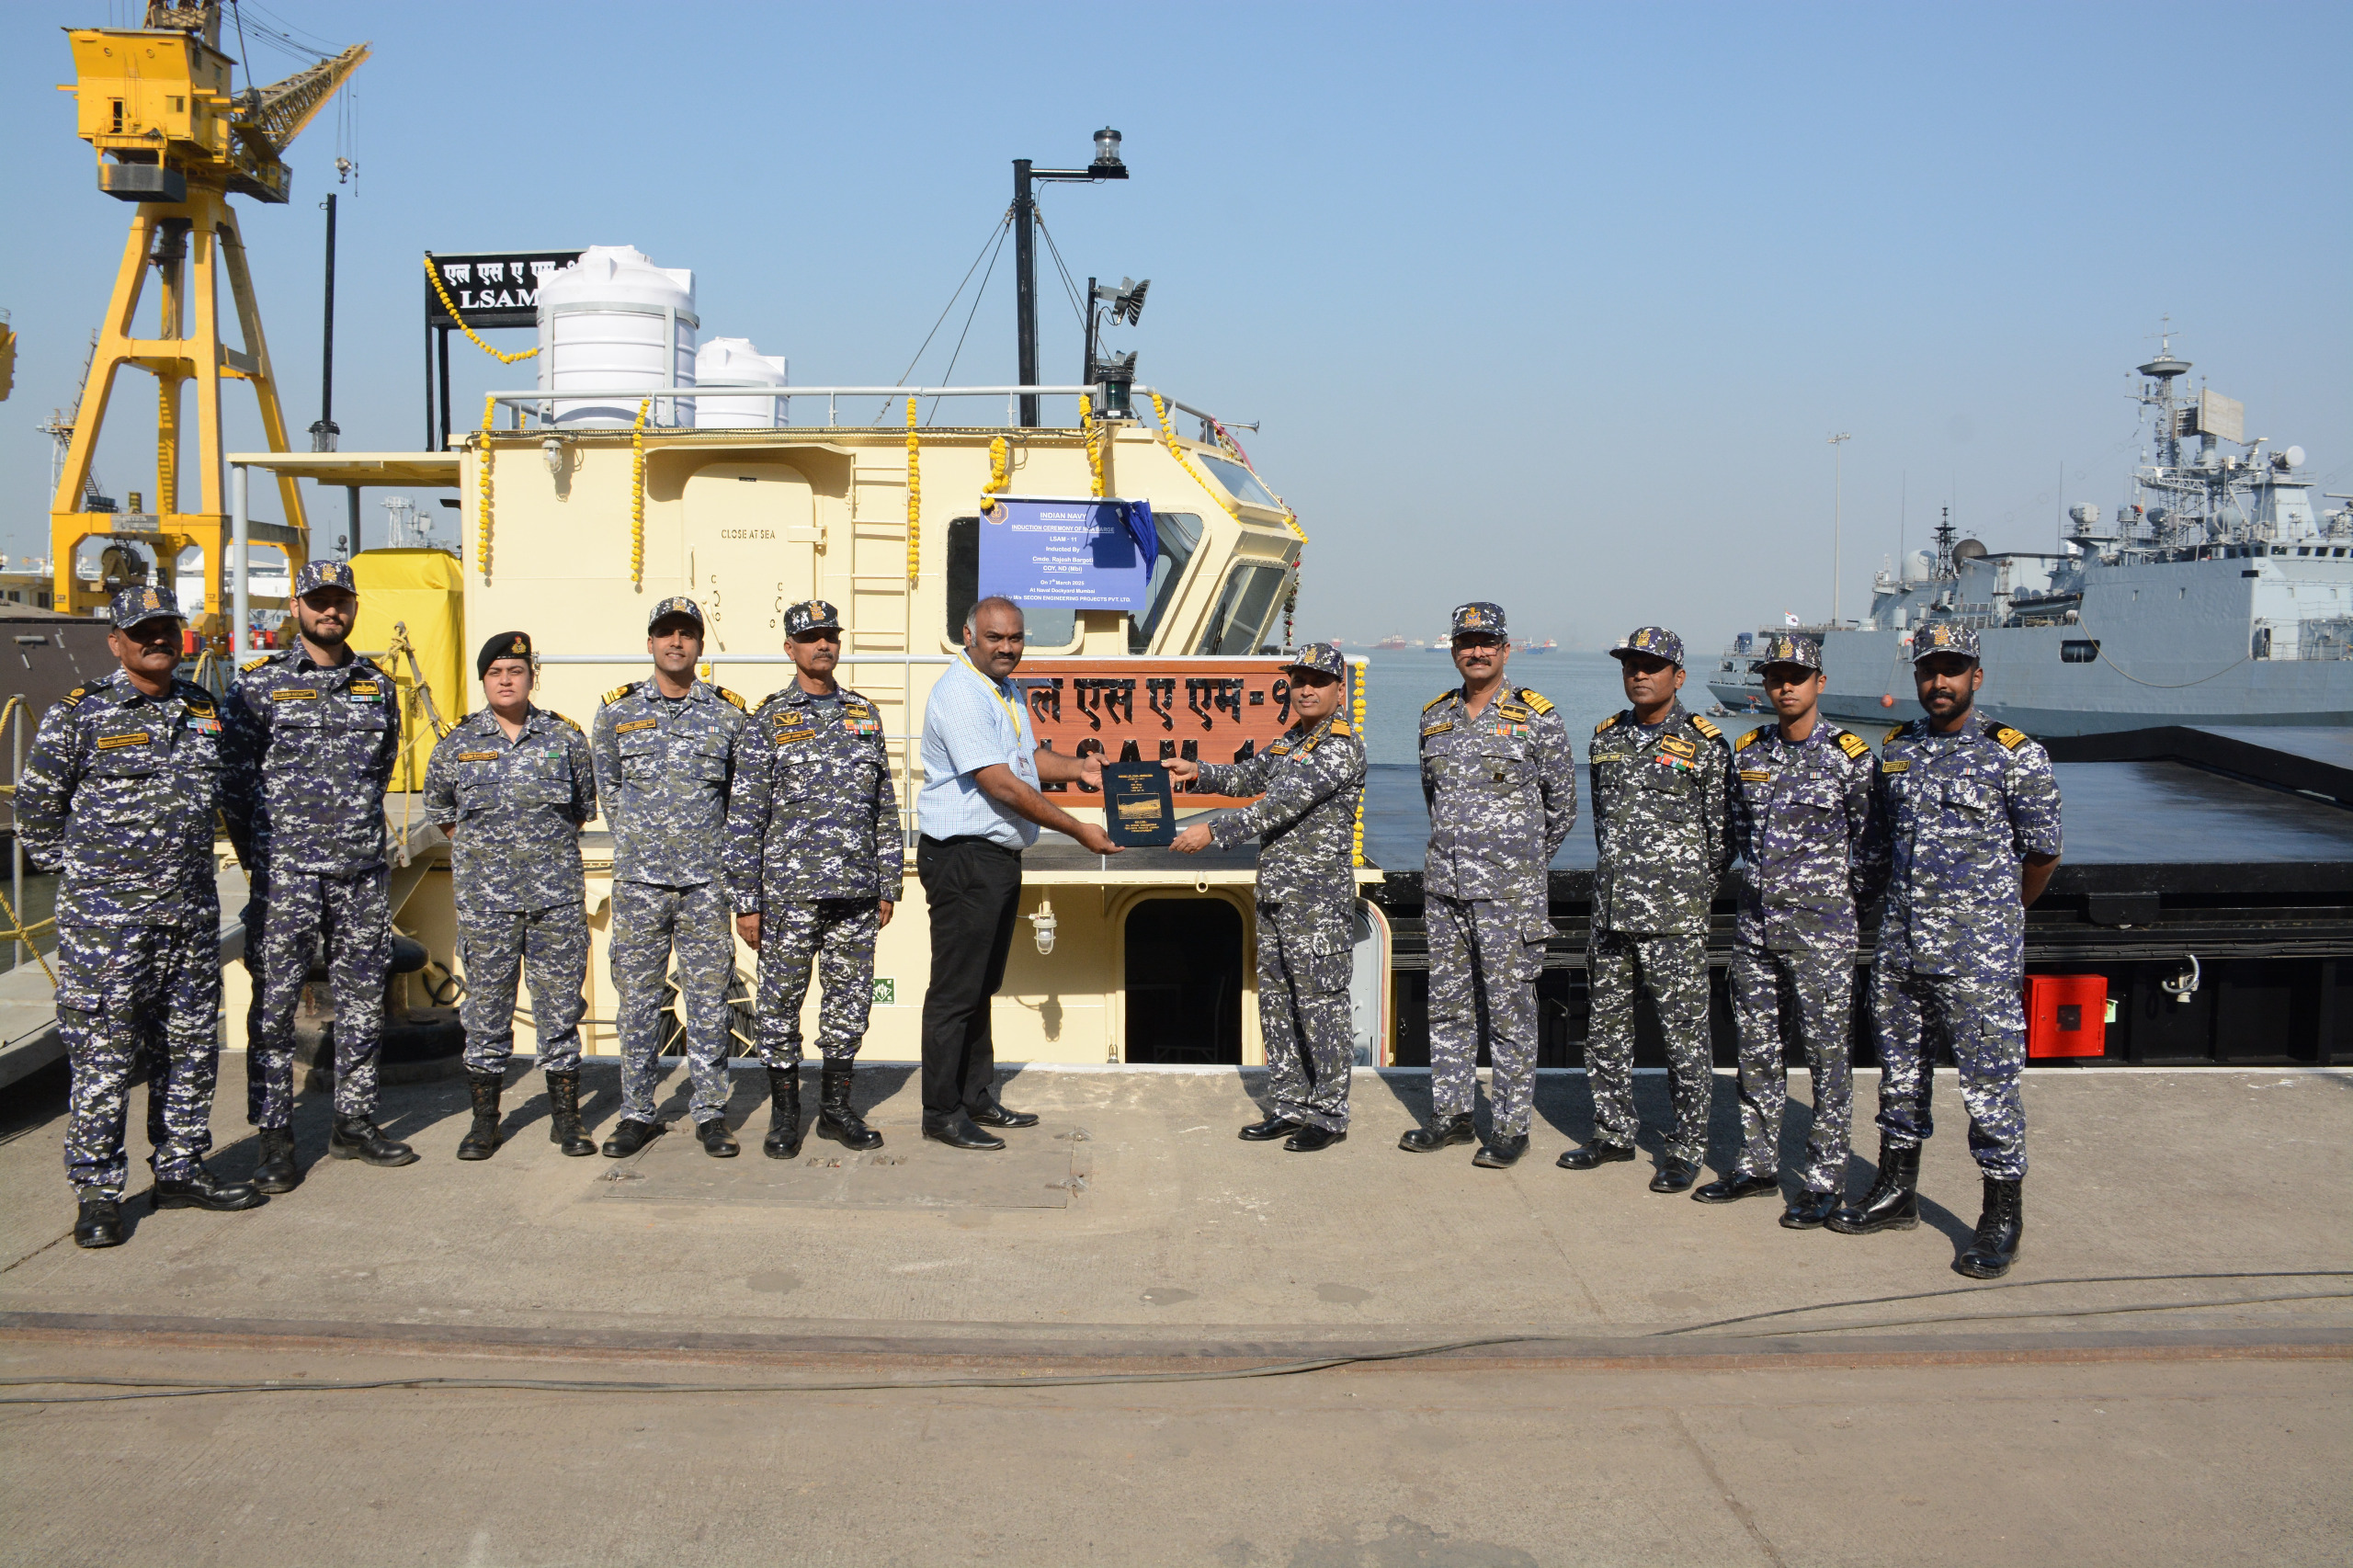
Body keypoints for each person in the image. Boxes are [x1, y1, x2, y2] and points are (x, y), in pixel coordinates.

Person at [17, 585, 267, 1247]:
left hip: (187, 916)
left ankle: (181, 1169)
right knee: (104, 1057)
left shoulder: (202, 709)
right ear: (116, 641)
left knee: (188, 1049)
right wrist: (95, 883)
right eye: (142, 630)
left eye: (166, 628)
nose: (157, 639)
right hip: (108, 927)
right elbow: (37, 815)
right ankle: (98, 1193)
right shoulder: (82, 714)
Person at [1830, 623, 2061, 1278]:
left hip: (1976, 955)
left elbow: (2043, 852)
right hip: (1902, 949)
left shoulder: (2014, 755)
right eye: (1930, 670)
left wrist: (2002, 915)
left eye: (1953, 670)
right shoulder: (1898, 752)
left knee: (1989, 1091)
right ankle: (1897, 1191)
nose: (1940, 683)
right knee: (1900, 1079)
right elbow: (1876, 847)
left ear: (1976, 677)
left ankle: (2000, 1215)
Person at [222, 557, 412, 1186]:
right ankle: (275, 1137)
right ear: (297, 607)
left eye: (341, 600)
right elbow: (236, 786)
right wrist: (265, 862)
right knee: (274, 1007)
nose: (331, 610)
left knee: (362, 1003)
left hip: (358, 872)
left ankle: (354, 1123)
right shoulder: (257, 685)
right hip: (287, 876)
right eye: (318, 600)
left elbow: (379, 768)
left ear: (353, 607)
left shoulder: (376, 686)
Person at [915, 597, 1118, 1151]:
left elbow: (1026, 760)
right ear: (969, 635)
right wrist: (1078, 830)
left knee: (983, 984)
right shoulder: (961, 692)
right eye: (996, 638)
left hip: (995, 857)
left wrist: (1076, 767)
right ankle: (941, 1112)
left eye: (1016, 638)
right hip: (964, 858)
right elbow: (1001, 783)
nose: (1007, 648)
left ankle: (976, 1096)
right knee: (956, 991)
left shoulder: (1003, 690)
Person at [1699, 633, 1880, 1227]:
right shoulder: (1748, 752)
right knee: (1756, 1051)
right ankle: (1757, 1163)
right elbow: (1733, 835)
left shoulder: (1851, 757)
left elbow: (1869, 847)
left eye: (1796, 677)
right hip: (1756, 929)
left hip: (1821, 931)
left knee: (1828, 1057)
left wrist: (1837, 907)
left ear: (1818, 684)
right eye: (1776, 676)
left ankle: (1825, 1177)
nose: (1784, 686)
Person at [1169, 642, 1368, 1152]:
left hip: (1316, 903)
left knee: (1321, 1005)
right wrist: (1199, 771)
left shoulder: (1340, 747)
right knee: (1279, 1005)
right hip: (1277, 895)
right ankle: (1289, 1104)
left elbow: (1276, 805)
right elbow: (1249, 777)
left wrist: (1213, 832)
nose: (1305, 688)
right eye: (1299, 679)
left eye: (1318, 680)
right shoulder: (1291, 742)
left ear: (1338, 689)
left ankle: (1327, 1113)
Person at [724, 600, 902, 1159]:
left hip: (855, 892)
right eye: (810, 638)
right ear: (790, 649)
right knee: (779, 1005)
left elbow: (883, 808)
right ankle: (785, 1113)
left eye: (830, 636)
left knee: (849, 1005)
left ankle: (836, 1109)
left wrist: (887, 882)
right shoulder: (768, 720)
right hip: (787, 895)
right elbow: (745, 816)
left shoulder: (864, 714)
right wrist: (746, 902)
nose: (822, 645)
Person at [1403, 603, 1576, 1167]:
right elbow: (1436, 801)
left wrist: (1519, 865)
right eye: (1465, 643)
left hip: (1509, 895)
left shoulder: (1536, 718)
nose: (1476, 652)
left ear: (1506, 649)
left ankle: (1509, 1128)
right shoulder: (1434, 718)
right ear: (1454, 650)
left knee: (1510, 1012)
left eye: (1486, 642)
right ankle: (1451, 1116)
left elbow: (1563, 807)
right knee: (1448, 1006)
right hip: (1445, 890)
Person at [1564, 625, 1730, 1192]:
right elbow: (1605, 823)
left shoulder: (1706, 745)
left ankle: (1686, 1148)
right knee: (1607, 1031)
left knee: (1684, 1037)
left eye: (1652, 666)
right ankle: (1612, 1133)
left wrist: (1685, 897)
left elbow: (1720, 839)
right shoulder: (1605, 738)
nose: (1639, 674)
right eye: (1632, 665)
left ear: (1678, 677)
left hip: (1674, 918)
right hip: (1611, 913)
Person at [423, 633, 600, 1159]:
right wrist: (491, 859)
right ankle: (485, 1123)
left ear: (530, 677)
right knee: (486, 1015)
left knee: (561, 1012)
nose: (506, 679)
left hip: (555, 904)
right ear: (484, 679)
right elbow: (443, 813)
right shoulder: (457, 744)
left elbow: (581, 808)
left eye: (516, 670)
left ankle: (567, 1121)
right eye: (496, 670)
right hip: (487, 905)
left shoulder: (565, 738)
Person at [593, 597, 749, 1160]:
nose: (675, 643)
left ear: (701, 645)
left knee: (709, 1000)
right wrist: (642, 840)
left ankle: (710, 1112)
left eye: (687, 634)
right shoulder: (617, 713)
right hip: (639, 882)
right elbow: (608, 787)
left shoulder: (730, 715)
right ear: (651, 642)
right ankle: (637, 1112)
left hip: (706, 884)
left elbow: (740, 797)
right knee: (637, 1001)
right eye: (666, 634)